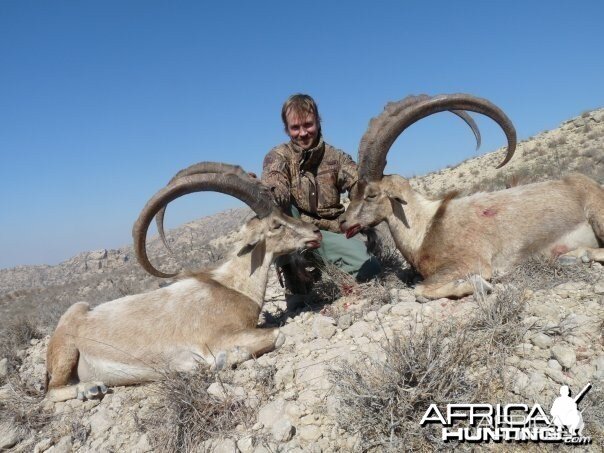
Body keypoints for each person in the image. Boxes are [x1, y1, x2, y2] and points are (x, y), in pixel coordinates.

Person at [261, 94, 380, 305]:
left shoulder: (337, 158)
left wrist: (368, 197)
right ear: (286, 129)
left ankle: (325, 271)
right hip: (298, 234)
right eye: (295, 127)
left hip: (330, 233)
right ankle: (294, 279)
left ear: (318, 122)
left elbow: (359, 188)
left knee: (372, 268)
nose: (303, 133)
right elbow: (275, 185)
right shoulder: (277, 157)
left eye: (308, 124)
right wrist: (263, 191)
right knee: (278, 210)